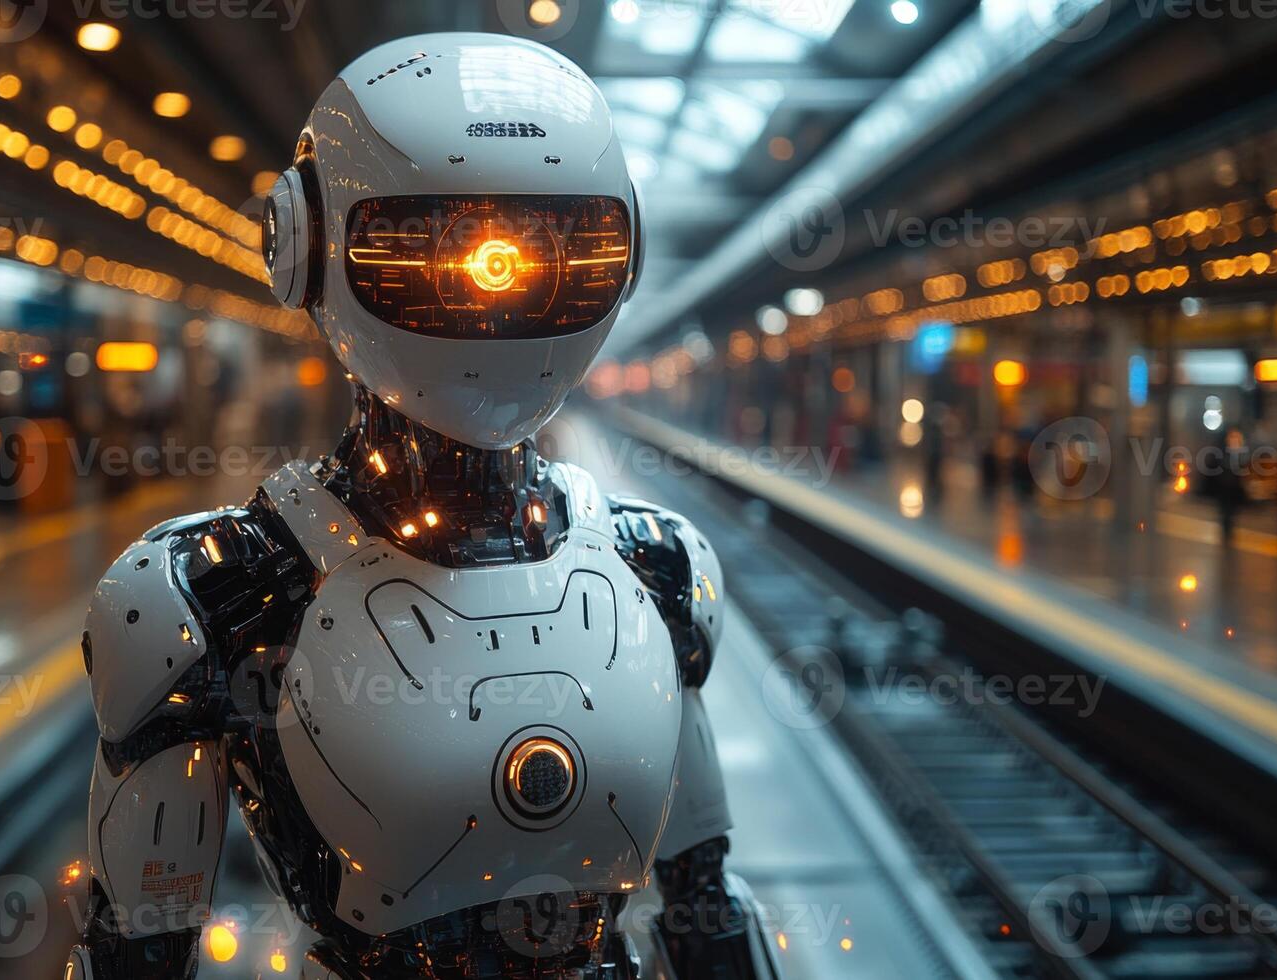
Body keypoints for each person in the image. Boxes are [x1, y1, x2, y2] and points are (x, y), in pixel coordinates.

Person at [67, 34, 774, 980]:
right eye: (428, 241)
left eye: (561, 243)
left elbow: (705, 903)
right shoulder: (215, 594)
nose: (497, 278)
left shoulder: (659, 565)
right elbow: (141, 940)